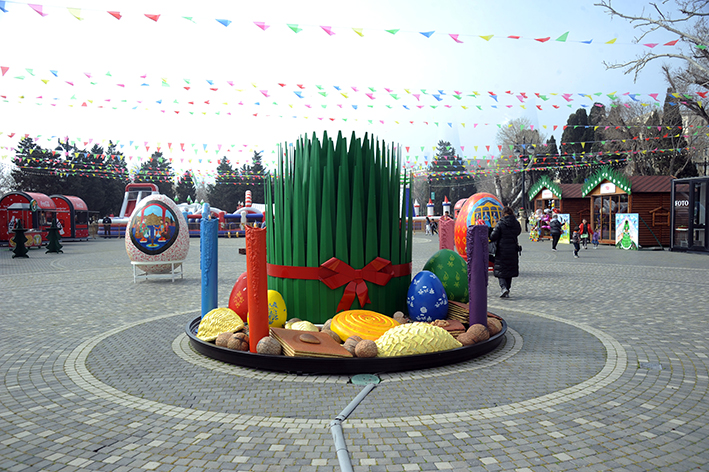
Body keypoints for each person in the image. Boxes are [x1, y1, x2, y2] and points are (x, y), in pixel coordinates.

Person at [489, 206, 522, 298]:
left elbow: (493, 236)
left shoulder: (500, 223)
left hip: (501, 250)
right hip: (513, 250)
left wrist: (490, 231)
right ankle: (507, 289)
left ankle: (503, 288)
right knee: (509, 270)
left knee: (501, 270)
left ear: (503, 214)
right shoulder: (516, 223)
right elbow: (518, 232)